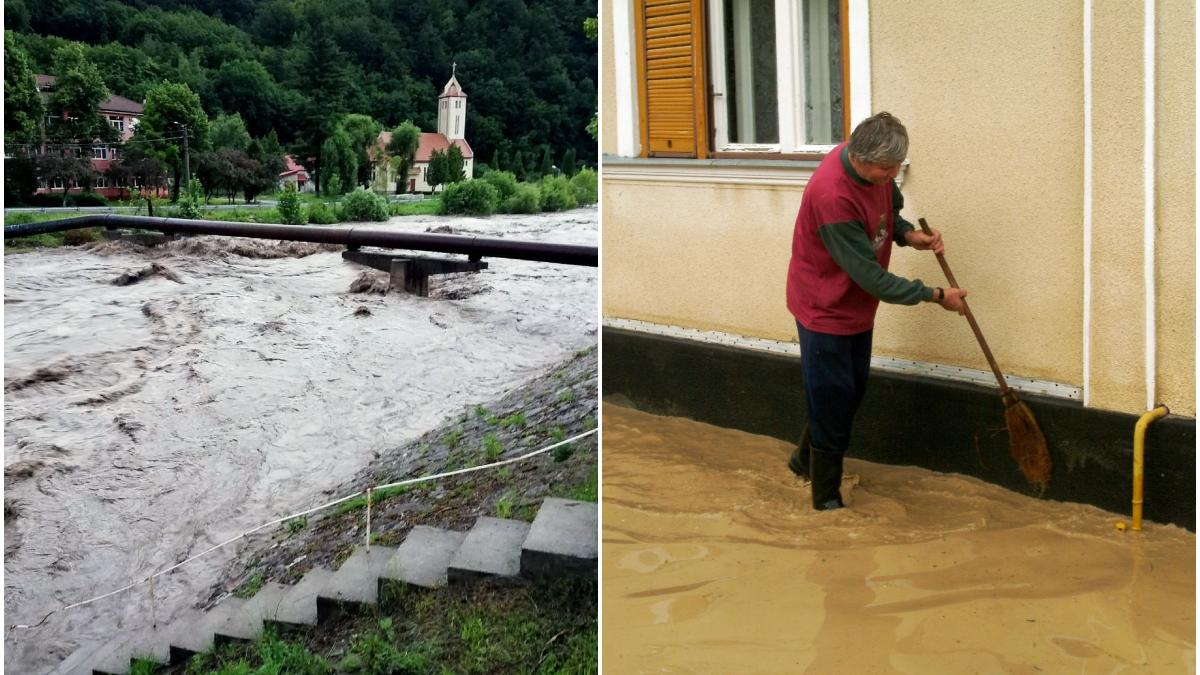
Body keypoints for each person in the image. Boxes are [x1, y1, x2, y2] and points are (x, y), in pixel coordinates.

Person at [785, 112, 967, 510]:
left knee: (846, 394)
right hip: (824, 307)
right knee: (833, 400)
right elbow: (874, 279)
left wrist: (910, 236)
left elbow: (890, 215)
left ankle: (802, 461)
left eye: (897, 167)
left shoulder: (878, 173)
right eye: (886, 170)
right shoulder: (833, 196)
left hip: (854, 306)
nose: (893, 176)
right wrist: (936, 295)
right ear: (859, 157)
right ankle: (826, 501)